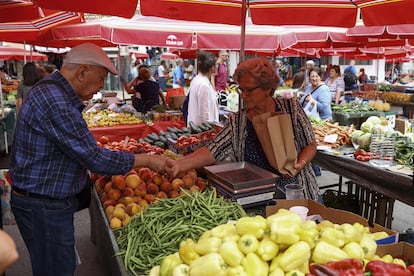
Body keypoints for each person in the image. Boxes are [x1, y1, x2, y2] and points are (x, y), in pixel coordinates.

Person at [9, 43, 167, 276]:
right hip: (44, 205)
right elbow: (94, 158)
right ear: (82, 72)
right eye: (101, 78)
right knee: (57, 270)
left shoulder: (53, 91)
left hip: (41, 201)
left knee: (54, 266)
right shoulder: (57, 101)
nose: (103, 86)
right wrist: (149, 161)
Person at [167, 57, 320, 200]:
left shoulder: (291, 108)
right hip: (259, 196)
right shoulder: (238, 121)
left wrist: (299, 164)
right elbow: (213, 150)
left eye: (250, 90)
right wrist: (179, 164)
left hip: (298, 192)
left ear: (267, 88)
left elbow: (310, 145)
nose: (244, 96)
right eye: (242, 90)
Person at [187, 51, 219, 126]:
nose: (217, 66)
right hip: (202, 129)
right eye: (216, 64)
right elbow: (204, 112)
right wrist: (209, 129)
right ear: (212, 67)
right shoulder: (203, 84)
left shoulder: (198, 80)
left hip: (198, 127)